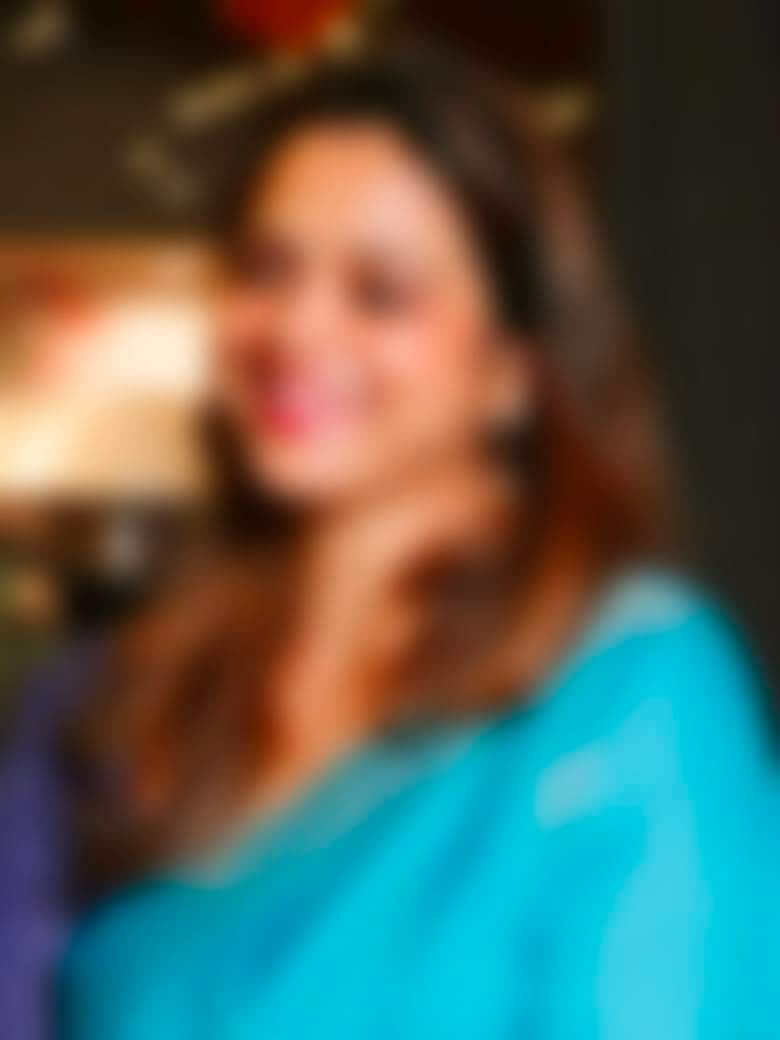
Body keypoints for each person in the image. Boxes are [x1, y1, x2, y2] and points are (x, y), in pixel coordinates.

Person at [1, 44, 775, 1040]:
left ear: (513, 370)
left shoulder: (629, 690)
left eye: (380, 292)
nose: (299, 328)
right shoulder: (129, 711)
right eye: (267, 271)